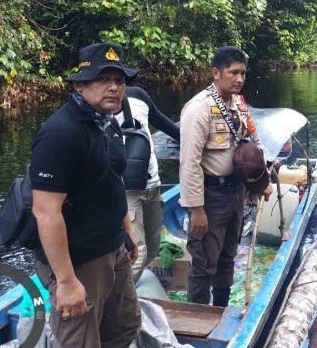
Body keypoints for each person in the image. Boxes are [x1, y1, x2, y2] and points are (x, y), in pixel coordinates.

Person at [30, 42, 141, 347]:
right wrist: (66, 281)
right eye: (103, 80)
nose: (114, 88)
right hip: (79, 259)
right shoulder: (61, 132)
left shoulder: (107, 123)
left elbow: (112, 177)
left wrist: (126, 230)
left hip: (112, 246)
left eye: (119, 81)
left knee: (124, 325)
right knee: (80, 341)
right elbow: (45, 211)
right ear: (79, 85)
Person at [179, 46, 273, 307]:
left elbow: (252, 143)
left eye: (243, 73)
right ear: (215, 73)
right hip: (211, 196)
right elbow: (189, 162)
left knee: (227, 256)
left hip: (236, 193)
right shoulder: (199, 108)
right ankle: (197, 317)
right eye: (233, 73)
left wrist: (260, 182)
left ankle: (220, 311)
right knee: (204, 262)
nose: (240, 79)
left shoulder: (239, 105)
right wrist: (196, 209)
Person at [114, 86, 180, 282]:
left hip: (152, 186)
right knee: (137, 252)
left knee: (151, 249)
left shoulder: (139, 95)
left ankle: (126, 291)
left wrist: (195, 142)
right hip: (125, 191)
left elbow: (165, 124)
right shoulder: (97, 108)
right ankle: (117, 304)